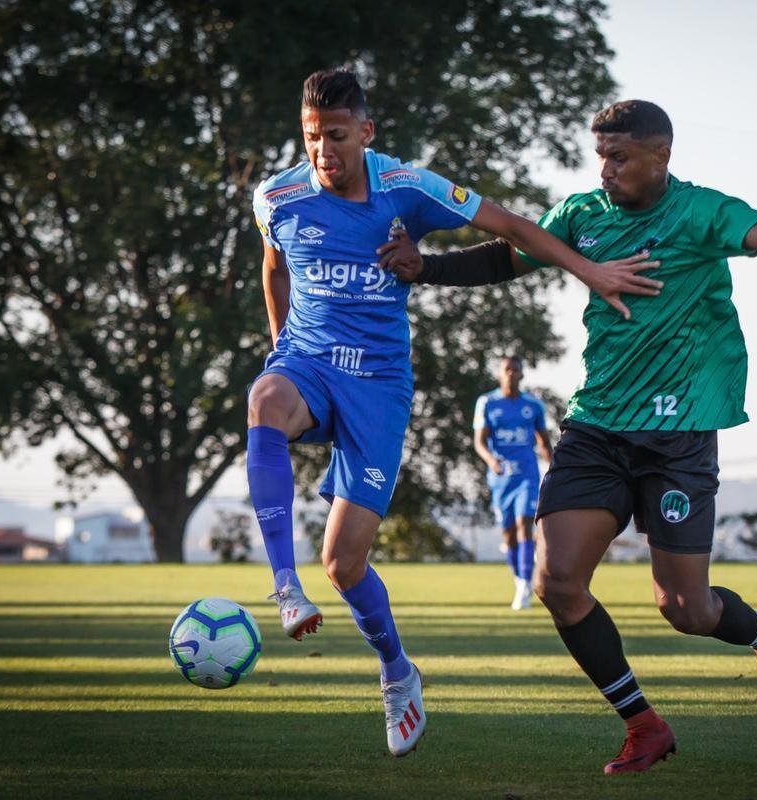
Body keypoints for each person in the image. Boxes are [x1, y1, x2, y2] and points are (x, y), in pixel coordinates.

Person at [377, 99, 757, 772]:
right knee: (558, 583)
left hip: (678, 438)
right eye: (600, 156)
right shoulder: (582, 215)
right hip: (596, 426)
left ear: (659, 156)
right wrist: (425, 267)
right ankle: (643, 724)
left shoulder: (701, 211)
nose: (605, 169)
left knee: (684, 608)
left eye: (619, 157)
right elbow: (510, 256)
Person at [246, 71, 661, 758]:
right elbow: (274, 266)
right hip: (310, 365)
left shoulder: (407, 187)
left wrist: (588, 270)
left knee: (345, 565)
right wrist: (280, 346)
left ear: (367, 134)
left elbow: (513, 228)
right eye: (312, 137)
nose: (323, 152)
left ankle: (396, 671)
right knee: (263, 397)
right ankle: (282, 586)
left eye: (338, 137)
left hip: (377, 387)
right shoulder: (276, 197)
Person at [473, 356, 553, 609]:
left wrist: (554, 470)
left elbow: (543, 441)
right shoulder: (487, 402)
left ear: (521, 374)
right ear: (499, 374)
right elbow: (480, 441)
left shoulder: (533, 405)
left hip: (527, 473)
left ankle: (524, 586)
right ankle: (519, 578)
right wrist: (491, 460)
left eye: (515, 370)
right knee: (508, 534)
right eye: (507, 369)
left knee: (524, 524)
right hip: (500, 478)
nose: (511, 373)